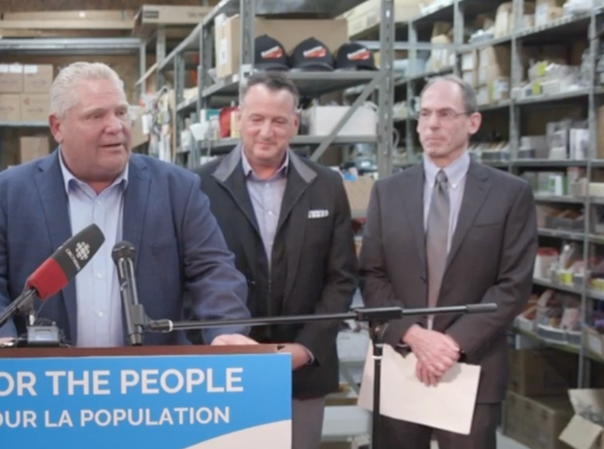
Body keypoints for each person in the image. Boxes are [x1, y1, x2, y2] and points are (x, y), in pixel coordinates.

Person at [0, 61, 256, 351]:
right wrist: (0, 345)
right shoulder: (8, 195)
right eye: (95, 116)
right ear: (57, 127)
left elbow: (213, 270)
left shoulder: (177, 189)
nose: (115, 127)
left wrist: (225, 330)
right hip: (44, 387)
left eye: (121, 112)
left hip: (151, 384)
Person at [359, 74, 538, 449]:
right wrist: (413, 334)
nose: (432, 124)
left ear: (472, 122)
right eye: (424, 114)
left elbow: (513, 285)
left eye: (445, 113)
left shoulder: (510, 194)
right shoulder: (388, 193)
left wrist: (450, 344)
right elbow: (372, 275)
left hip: (471, 366)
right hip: (400, 362)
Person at [193, 71, 358, 449]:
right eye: (257, 119)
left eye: (278, 120)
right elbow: (190, 276)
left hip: (302, 369)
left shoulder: (326, 185)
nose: (266, 131)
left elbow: (342, 278)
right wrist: (221, 338)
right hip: (227, 366)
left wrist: (305, 348)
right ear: (240, 120)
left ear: (294, 124)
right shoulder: (200, 186)